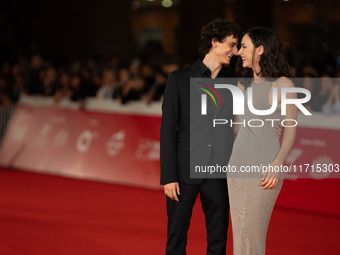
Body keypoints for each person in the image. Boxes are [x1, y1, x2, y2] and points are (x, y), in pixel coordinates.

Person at [160, 19, 239, 255]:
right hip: (184, 173)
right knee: (176, 237)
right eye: (232, 45)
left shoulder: (234, 81)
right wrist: (169, 176)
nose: (235, 52)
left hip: (219, 174)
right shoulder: (179, 79)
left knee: (218, 240)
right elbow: (167, 130)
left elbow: (238, 124)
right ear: (214, 42)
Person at [227, 27, 297, 255]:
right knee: (239, 235)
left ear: (261, 49)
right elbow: (237, 126)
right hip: (236, 165)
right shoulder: (242, 84)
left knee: (252, 236)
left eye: (244, 47)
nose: (239, 52)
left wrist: (277, 162)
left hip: (264, 169)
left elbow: (291, 130)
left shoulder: (283, 85)